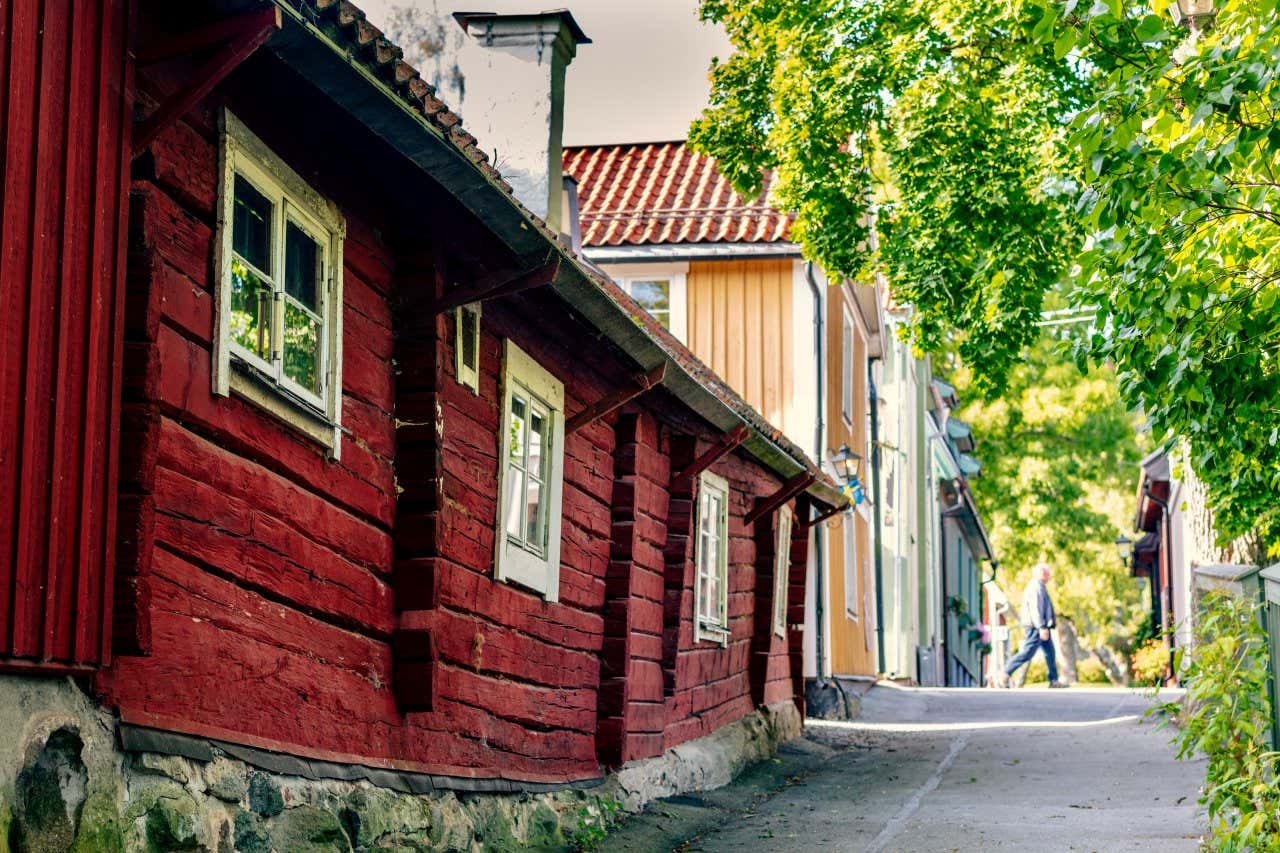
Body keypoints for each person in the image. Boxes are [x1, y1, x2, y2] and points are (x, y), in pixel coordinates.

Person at [996, 563, 1068, 689]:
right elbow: (1036, 608)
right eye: (1046, 573)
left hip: (1041, 626)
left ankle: (1053, 680)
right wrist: (1041, 627)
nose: (1049, 576)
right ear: (1040, 574)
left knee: (1050, 652)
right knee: (1027, 652)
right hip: (1036, 627)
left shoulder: (1040, 586)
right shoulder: (1036, 587)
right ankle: (1005, 672)